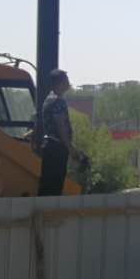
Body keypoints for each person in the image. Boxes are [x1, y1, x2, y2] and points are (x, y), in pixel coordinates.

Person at [35, 69, 81, 197]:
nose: (69, 83)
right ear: (60, 82)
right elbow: (61, 127)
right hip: (57, 148)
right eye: (66, 80)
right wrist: (70, 148)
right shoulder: (58, 101)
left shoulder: (49, 99)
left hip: (50, 146)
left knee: (47, 184)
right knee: (55, 184)